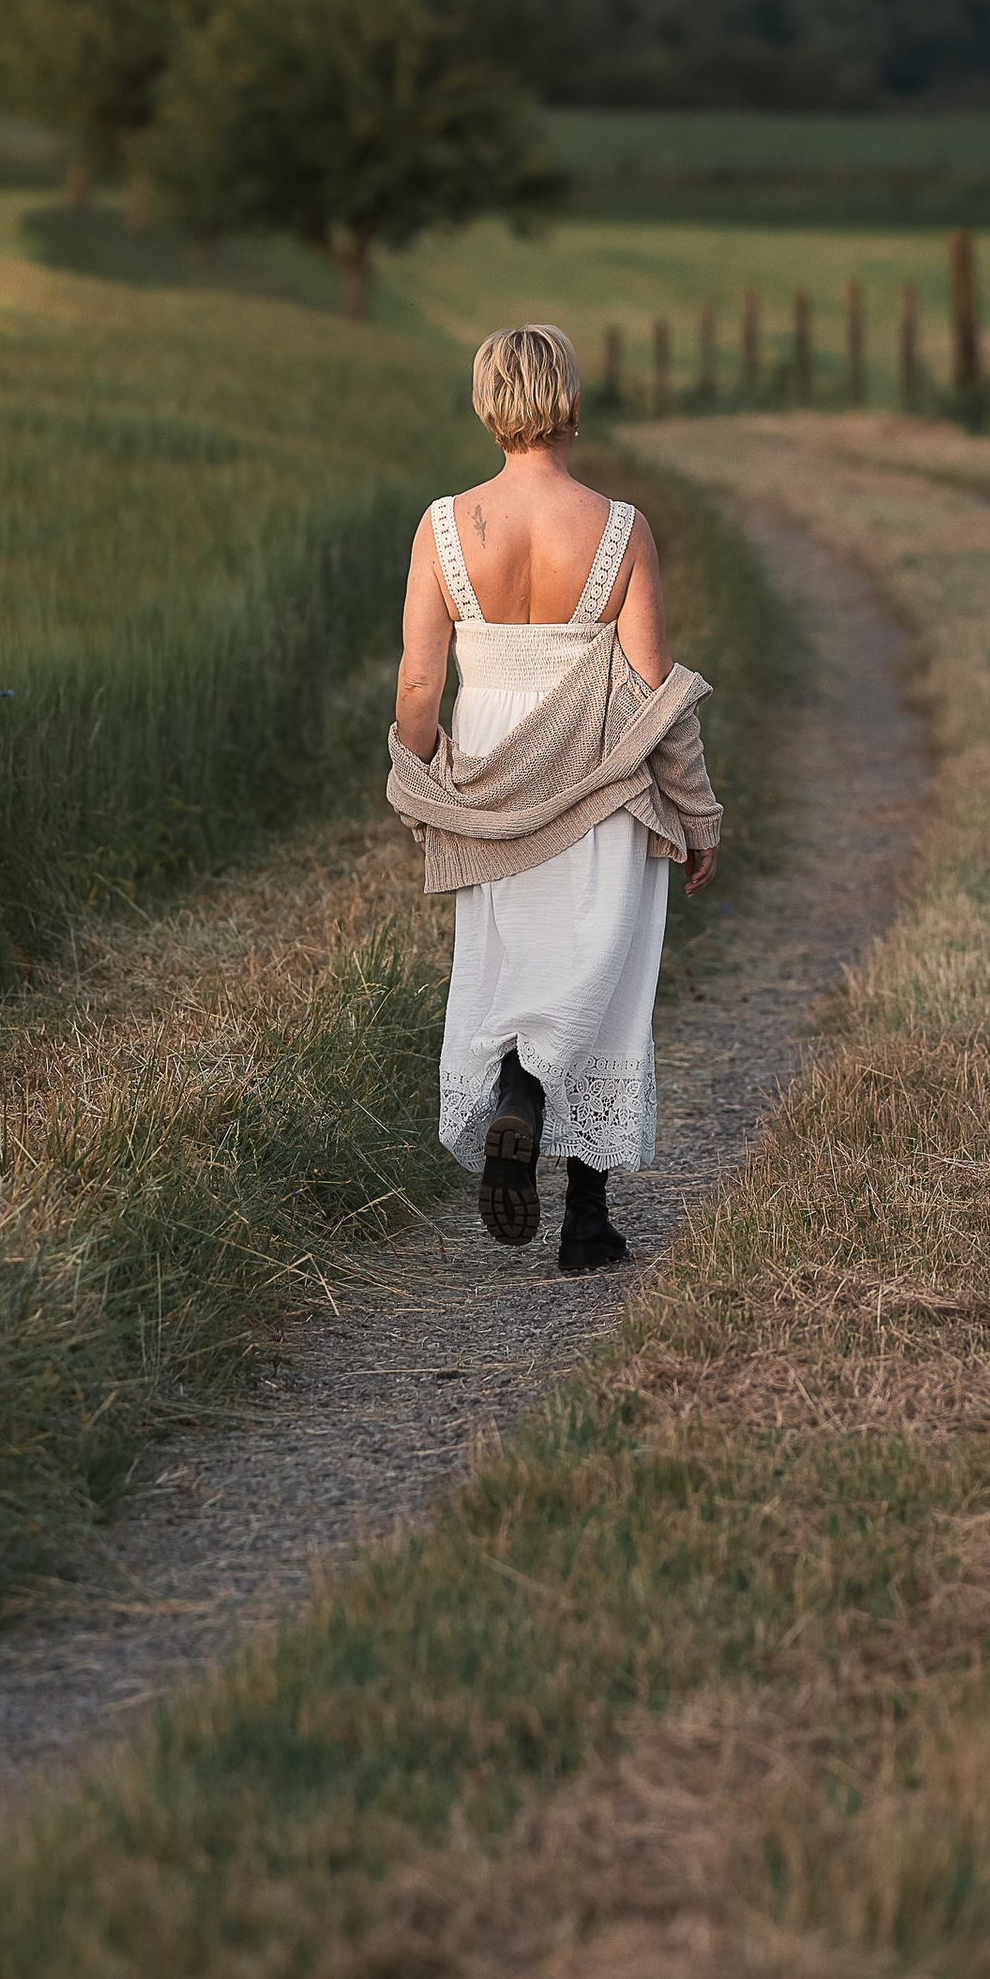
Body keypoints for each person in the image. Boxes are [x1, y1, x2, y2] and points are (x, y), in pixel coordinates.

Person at [386, 321, 721, 1276]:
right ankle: (586, 1221)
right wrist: (699, 815)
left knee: (506, 965)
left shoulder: (446, 526)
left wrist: (420, 788)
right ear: (570, 402)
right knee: (599, 982)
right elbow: (657, 698)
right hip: (600, 780)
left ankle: (516, 1101)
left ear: (489, 405)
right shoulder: (619, 530)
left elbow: (418, 687)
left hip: (490, 778)